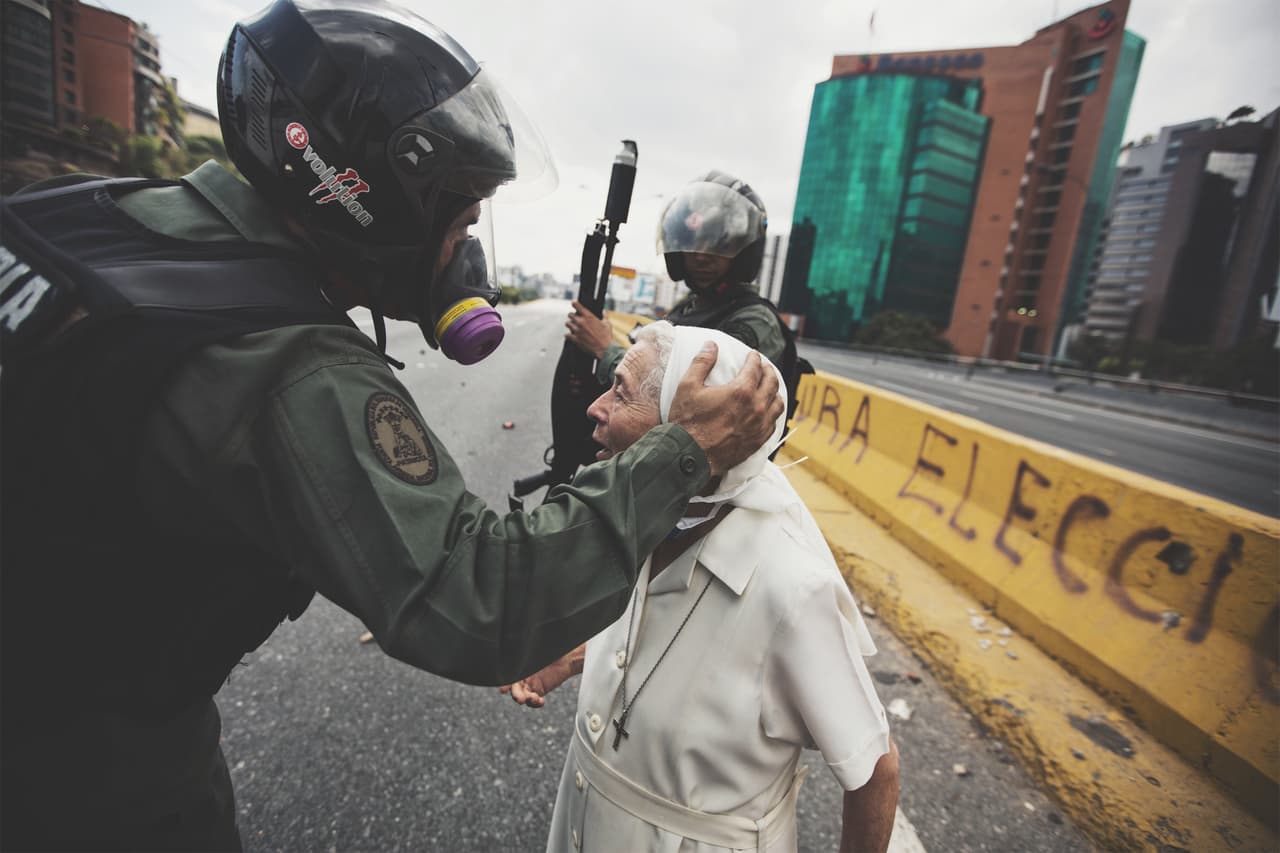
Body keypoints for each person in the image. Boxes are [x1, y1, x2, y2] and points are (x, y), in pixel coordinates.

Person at [0, 2, 784, 849]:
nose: (469, 234)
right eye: (461, 207)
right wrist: (682, 452)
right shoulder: (293, 362)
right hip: (88, 767)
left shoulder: (92, 214)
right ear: (375, 195)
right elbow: (481, 597)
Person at [502, 322, 900, 853]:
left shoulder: (791, 587)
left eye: (620, 392)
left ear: (691, 428)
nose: (595, 408)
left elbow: (876, 772)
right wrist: (575, 658)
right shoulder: (643, 522)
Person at [565, 171, 791, 387]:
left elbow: (686, 399)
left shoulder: (754, 321)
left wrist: (605, 349)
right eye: (691, 242)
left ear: (744, 252)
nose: (701, 256)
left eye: (717, 244)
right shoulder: (687, 309)